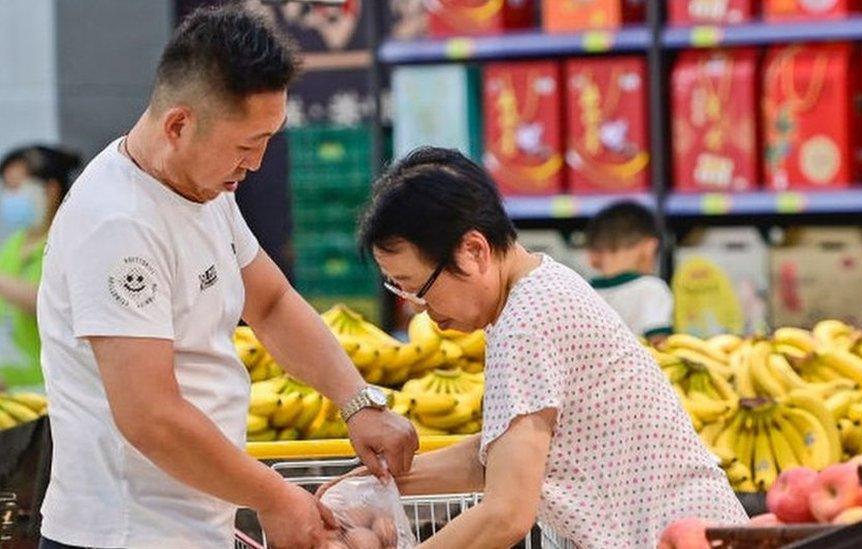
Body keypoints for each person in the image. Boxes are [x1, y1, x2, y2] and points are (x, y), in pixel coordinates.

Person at [36, 7, 417, 549]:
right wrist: (275, 497)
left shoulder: (203, 186)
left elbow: (271, 303)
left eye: (267, 140)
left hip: (192, 524)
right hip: (124, 535)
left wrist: (357, 401)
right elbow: (151, 416)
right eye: (246, 145)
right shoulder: (118, 224)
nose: (257, 163)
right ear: (178, 125)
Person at [356, 147, 746, 548]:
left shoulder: (526, 324)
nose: (418, 309)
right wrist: (371, 487)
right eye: (399, 290)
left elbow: (506, 514)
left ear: (474, 251)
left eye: (418, 287)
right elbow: (503, 456)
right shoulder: (540, 290)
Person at [0, 145, 80, 393]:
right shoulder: (12, 244)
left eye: (18, 189)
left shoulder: (70, 241)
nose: (10, 199)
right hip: (10, 392)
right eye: (7, 189)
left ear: (51, 189)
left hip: (52, 393)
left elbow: (52, 302)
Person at [585, 201, 674, 341]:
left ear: (592, 256)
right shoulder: (652, 289)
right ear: (650, 248)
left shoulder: (582, 292)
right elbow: (659, 343)